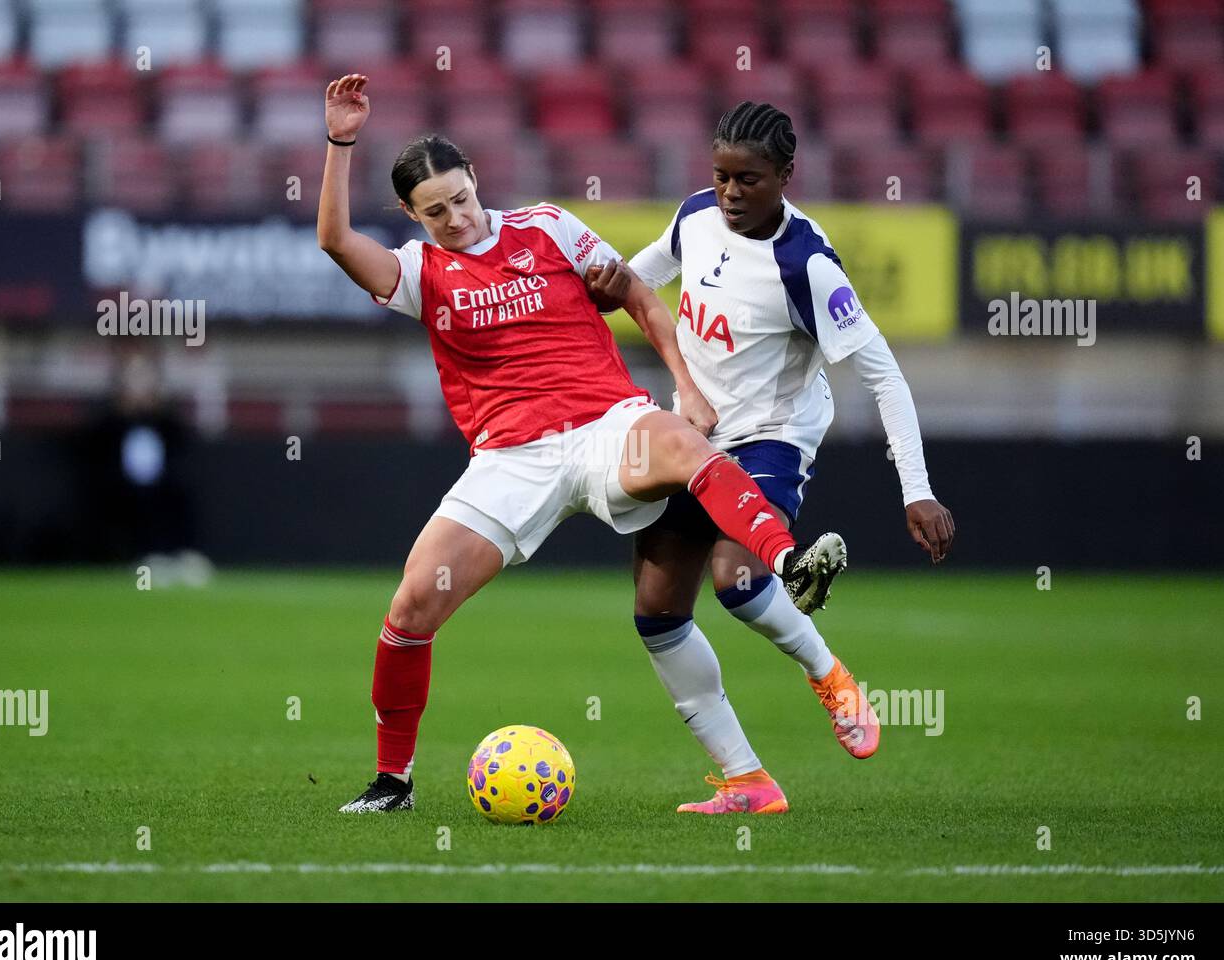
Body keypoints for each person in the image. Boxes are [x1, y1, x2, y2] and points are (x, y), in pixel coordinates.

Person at [317, 76, 837, 813]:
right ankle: (392, 781)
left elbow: (633, 290)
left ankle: (787, 560)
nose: (455, 218)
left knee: (685, 448)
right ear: (409, 213)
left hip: (605, 426)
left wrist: (685, 388)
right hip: (508, 461)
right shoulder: (420, 271)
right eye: (434, 211)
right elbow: (335, 240)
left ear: (476, 182)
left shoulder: (548, 227)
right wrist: (341, 141)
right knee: (410, 609)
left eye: (461, 198)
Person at [621, 101, 956, 814]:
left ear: (785, 176)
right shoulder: (695, 217)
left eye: (750, 179)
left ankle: (827, 671)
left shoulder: (807, 266)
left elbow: (883, 374)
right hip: (693, 433)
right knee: (656, 609)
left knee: (735, 575)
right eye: (721, 176)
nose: (732, 193)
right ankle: (748, 780)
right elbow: (632, 278)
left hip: (770, 434)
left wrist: (916, 489)